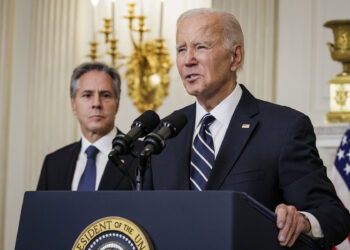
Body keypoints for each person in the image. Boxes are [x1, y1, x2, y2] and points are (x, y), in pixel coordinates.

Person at [147, 8, 350, 249]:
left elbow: (333, 214)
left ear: (235, 57)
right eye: (181, 49)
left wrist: (303, 221)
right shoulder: (164, 134)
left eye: (201, 47)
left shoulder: (284, 128)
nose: (188, 59)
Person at [37, 62, 137, 191]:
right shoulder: (53, 163)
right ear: (73, 104)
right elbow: (42, 211)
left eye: (105, 95)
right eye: (87, 95)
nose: (96, 103)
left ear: (117, 104)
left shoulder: (141, 156)